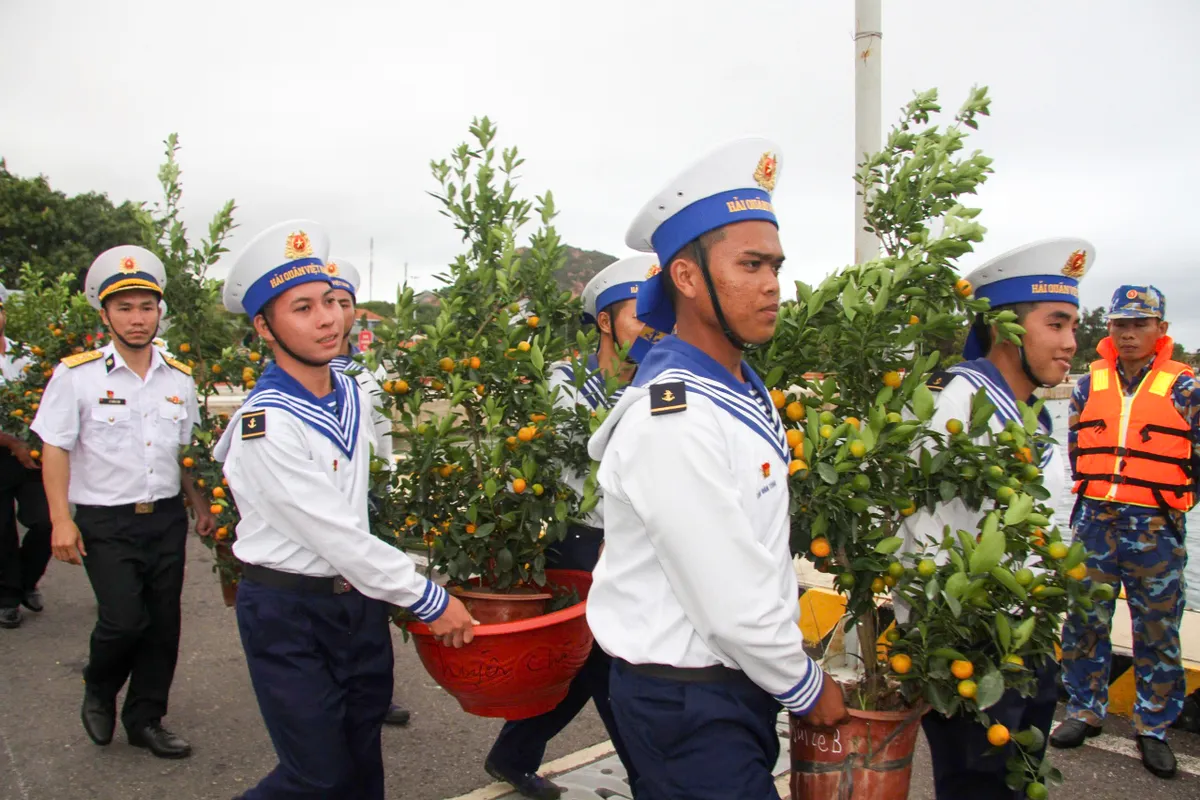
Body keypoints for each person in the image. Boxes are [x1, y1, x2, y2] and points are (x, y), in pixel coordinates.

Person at [585, 139, 848, 800]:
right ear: (688, 276)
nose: (771, 285)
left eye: (776, 267)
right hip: (688, 702)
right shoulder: (671, 417)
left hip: (727, 688)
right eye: (750, 265)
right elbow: (728, 603)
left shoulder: (739, 389)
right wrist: (807, 687)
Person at [213, 220, 476, 800]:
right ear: (264, 327)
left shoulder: (352, 393)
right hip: (289, 612)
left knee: (361, 760)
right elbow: (333, 533)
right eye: (302, 308)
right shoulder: (266, 426)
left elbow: (362, 509)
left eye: (331, 302)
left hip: (354, 604)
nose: (328, 318)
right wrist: (426, 596)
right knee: (316, 775)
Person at [904, 239, 1088, 798]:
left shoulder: (1027, 413)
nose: (1071, 344)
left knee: (1020, 783)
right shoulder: (953, 406)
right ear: (1005, 329)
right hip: (974, 650)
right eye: (1056, 324)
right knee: (978, 787)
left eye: (1074, 326)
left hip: (1026, 640)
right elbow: (917, 532)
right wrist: (952, 646)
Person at [30, 246, 215, 758]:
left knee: (162, 623)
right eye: (126, 308)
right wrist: (60, 520)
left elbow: (186, 452)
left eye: (147, 307)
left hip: (163, 518)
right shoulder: (77, 376)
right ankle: (98, 683)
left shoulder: (179, 379)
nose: (138, 319)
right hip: (104, 519)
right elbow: (55, 447)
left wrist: (199, 505)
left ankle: (146, 718)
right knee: (124, 619)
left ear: (160, 312)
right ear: (105, 313)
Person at [484, 255, 657, 799]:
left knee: (584, 670)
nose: (652, 325)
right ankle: (652, 782)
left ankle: (511, 755)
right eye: (638, 313)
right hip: (581, 543)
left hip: (637, 544)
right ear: (605, 321)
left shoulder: (659, 381)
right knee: (614, 670)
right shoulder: (564, 384)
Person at [1052, 284, 1195, 779]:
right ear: (1109, 329)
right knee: (1084, 620)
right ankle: (1084, 710)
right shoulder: (1089, 384)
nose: (1129, 333)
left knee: (1157, 630)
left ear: (1161, 329)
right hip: (1095, 520)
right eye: (1120, 324)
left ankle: (1153, 727)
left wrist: (1174, 504)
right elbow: (1075, 444)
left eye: (1140, 323)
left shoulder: (1185, 387)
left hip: (1154, 526)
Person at [326, 255, 409, 727]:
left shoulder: (365, 377)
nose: (336, 313)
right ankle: (336, 691)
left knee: (369, 607)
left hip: (368, 504)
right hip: (321, 515)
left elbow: (382, 441)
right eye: (327, 302)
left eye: (344, 303)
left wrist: (385, 494)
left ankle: (374, 694)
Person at [0, 284, 52, 629]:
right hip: (7, 453)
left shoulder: (24, 354)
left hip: (31, 454)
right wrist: (11, 443)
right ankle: (7, 599)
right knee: (2, 531)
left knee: (46, 522)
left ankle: (25, 580)